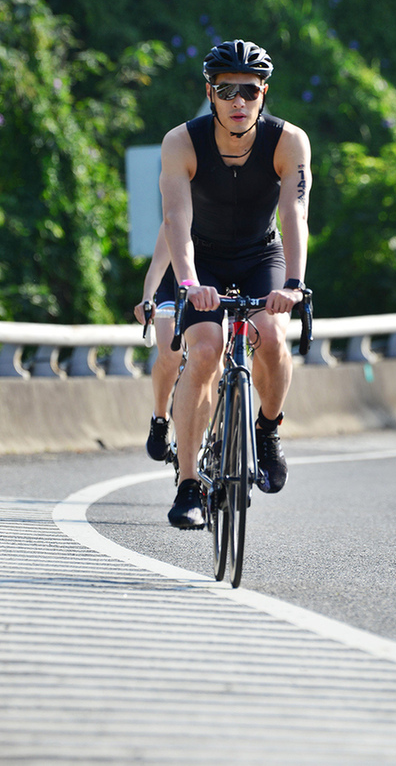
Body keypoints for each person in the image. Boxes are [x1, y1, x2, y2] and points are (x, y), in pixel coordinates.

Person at [160, 38, 311, 529]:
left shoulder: (288, 141)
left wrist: (294, 283)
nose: (238, 101)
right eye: (227, 91)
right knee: (205, 350)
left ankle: (267, 429)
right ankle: (188, 483)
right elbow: (176, 220)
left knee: (271, 335)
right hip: (202, 258)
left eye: (249, 90)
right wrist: (188, 281)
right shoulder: (181, 142)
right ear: (210, 93)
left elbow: (294, 213)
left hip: (260, 254)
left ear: (264, 93)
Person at [133, 224, 180, 461]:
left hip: (214, 283)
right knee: (171, 351)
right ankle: (160, 416)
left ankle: (217, 433)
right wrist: (147, 298)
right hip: (174, 286)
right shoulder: (181, 212)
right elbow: (158, 265)